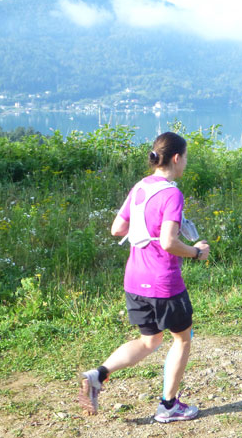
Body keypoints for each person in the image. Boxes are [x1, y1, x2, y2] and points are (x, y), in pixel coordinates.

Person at [79, 131, 210, 423]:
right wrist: (196, 252)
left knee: (150, 340)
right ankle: (169, 406)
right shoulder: (172, 193)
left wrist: (144, 229)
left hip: (135, 280)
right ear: (176, 158)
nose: (186, 163)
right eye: (185, 158)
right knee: (182, 339)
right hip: (163, 282)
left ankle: (98, 374)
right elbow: (168, 242)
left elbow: (117, 229)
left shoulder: (140, 187)